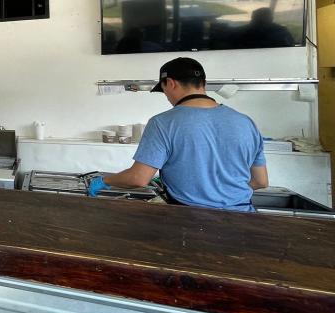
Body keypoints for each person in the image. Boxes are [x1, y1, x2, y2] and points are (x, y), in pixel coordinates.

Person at [89, 57, 269, 211]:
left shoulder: (163, 123)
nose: (166, 96)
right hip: (244, 218)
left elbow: (138, 178)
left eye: (164, 89)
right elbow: (261, 182)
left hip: (188, 221)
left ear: (170, 83)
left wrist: (105, 180)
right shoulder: (246, 122)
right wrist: (224, 194)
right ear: (203, 84)